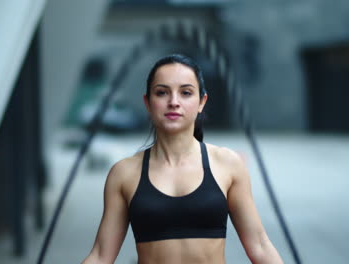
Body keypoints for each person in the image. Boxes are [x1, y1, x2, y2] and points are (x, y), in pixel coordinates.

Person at [81, 54, 283, 264]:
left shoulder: (227, 164)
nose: (174, 102)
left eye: (186, 93)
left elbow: (260, 245)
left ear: (201, 102)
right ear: (148, 103)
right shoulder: (124, 173)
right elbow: (101, 256)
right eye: (162, 93)